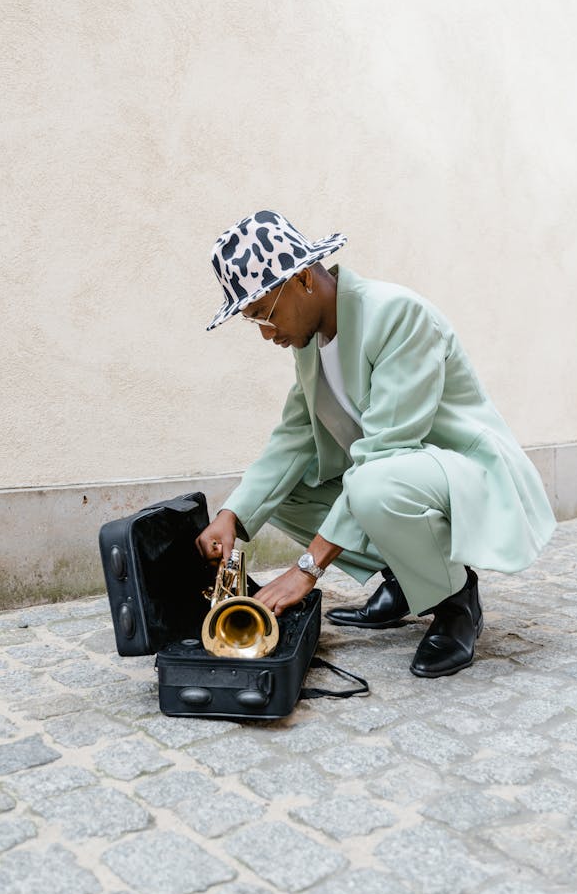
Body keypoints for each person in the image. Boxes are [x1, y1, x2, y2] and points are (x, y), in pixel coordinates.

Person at [195, 211, 556, 677]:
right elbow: (294, 437)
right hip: (399, 475)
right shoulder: (310, 342)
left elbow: (387, 449)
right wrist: (233, 515)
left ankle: (455, 601)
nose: (266, 333)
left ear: (303, 279)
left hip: (468, 475)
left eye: (264, 312)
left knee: (371, 484)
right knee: (283, 494)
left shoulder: (396, 314)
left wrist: (307, 567)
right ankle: (410, 578)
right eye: (253, 321)